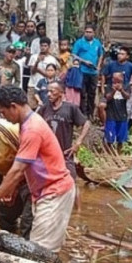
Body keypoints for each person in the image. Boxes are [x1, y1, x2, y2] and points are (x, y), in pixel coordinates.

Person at [0, 85, 75, 252]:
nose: (3, 116)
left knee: (40, 252)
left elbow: (17, 169)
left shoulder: (32, 129)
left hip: (54, 191)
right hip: (45, 191)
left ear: (14, 106)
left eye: (3, 112)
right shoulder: (27, 125)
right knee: (39, 249)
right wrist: (11, 189)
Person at [38, 81, 90, 210]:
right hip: (48, 155)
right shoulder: (44, 108)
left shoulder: (70, 108)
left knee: (71, 183)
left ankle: (79, 214)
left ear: (61, 93)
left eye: (52, 91)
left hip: (65, 153)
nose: (49, 94)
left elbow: (86, 123)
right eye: (48, 91)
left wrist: (78, 142)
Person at [72, 24, 104, 117]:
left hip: (93, 72)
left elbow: (101, 55)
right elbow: (74, 55)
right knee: (82, 93)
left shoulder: (97, 43)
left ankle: (90, 114)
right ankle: (83, 113)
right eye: (86, 32)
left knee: (92, 93)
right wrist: (84, 61)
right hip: (82, 70)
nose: (88, 34)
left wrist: (98, 66)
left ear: (94, 33)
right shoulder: (79, 42)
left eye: (90, 32)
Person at [28, 37, 59, 109]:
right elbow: (32, 71)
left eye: (45, 46)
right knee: (32, 107)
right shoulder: (34, 57)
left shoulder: (52, 59)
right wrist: (37, 62)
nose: (43, 48)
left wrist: (38, 69)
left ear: (49, 47)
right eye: (42, 46)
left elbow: (50, 74)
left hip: (45, 87)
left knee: (46, 108)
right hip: (33, 85)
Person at [104, 72, 131, 153]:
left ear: (121, 78)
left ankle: (119, 154)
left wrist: (121, 90)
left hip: (122, 114)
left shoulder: (126, 86)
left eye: (116, 78)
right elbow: (107, 98)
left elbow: (128, 96)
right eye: (113, 78)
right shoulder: (109, 86)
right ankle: (109, 154)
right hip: (111, 114)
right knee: (110, 138)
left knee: (121, 139)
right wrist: (114, 90)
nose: (114, 80)